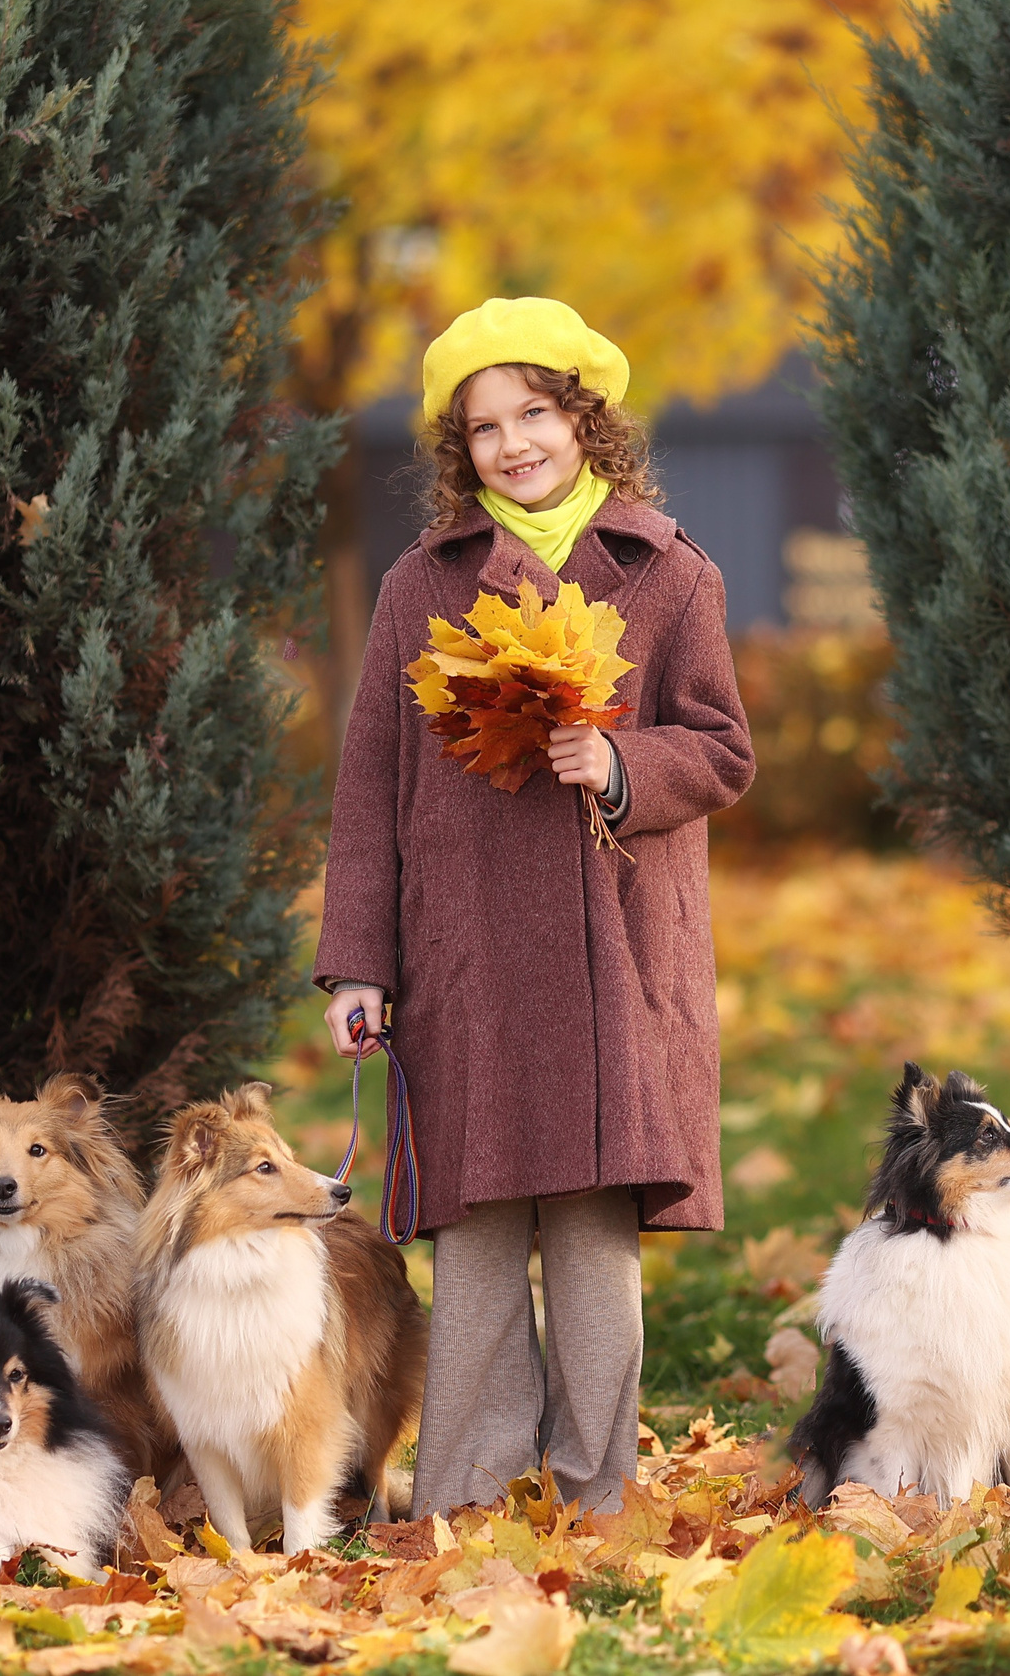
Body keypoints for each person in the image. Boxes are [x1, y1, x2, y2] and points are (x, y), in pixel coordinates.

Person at [314, 297, 755, 1516]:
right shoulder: (422, 584)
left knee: (593, 1240)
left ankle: (594, 1493)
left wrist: (622, 767)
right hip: (466, 959)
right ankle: (463, 1490)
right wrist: (361, 961)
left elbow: (721, 749)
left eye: (537, 413)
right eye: (486, 426)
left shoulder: (670, 574)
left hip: (615, 957)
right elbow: (370, 786)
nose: (515, 443)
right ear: (462, 450)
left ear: (585, 419)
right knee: (476, 1235)